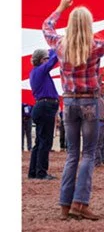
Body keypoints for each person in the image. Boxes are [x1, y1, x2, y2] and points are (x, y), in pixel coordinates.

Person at [41, 0, 104, 220]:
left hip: (68, 102)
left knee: (72, 154)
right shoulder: (96, 44)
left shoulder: (60, 44)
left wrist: (60, 7)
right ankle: (80, 203)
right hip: (90, 101)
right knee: (88, 154)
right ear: (89, 24)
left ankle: (64, 205)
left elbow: (47, 26)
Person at [28, 46, 60, 181]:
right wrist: (60, 47)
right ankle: (41, 172)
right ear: (42, 60)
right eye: (45, 58)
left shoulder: (35, 72)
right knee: (45, 141)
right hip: (46, 107)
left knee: (39, 141)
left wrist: (55, 45)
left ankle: (33, 172)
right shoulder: (41, 70)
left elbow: (52, 55)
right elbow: (54, 59)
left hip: (41, 106)